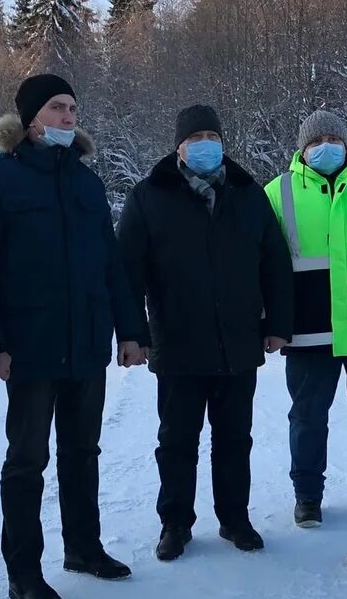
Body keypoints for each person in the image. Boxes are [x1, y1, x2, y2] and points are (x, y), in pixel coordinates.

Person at [0, 74, 148, 599]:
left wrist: (131, 332)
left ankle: (84, 549)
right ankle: (24, 572)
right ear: (29, 118)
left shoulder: (87, 184)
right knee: (27, 460)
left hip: (86, 343)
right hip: (30, 348)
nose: (68, 117)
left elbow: (111, 266)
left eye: (73, 108)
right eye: (57, 108)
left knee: (83, 453)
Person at [117, 105, 293, 561]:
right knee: (177, 440)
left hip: (238, 341)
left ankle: (235, 518)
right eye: (196, 135)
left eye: (212, 134)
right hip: (177, 343)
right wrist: (132, 333)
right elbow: (127, 273)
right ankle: (175, 523)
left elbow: (274, 262)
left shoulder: (248, 193)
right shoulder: (149, 197)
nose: (205, 143)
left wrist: (277, 324)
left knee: (235, 437)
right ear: (179, 145)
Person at [263, 110, 347, 528]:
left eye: (334, 138)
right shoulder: (279, 192)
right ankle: (308, 496)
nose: (326, 147)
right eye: (316, 141)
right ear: (302, 147)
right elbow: (264, 263)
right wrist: (271, 322)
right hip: (308, 329)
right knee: (308, 416)